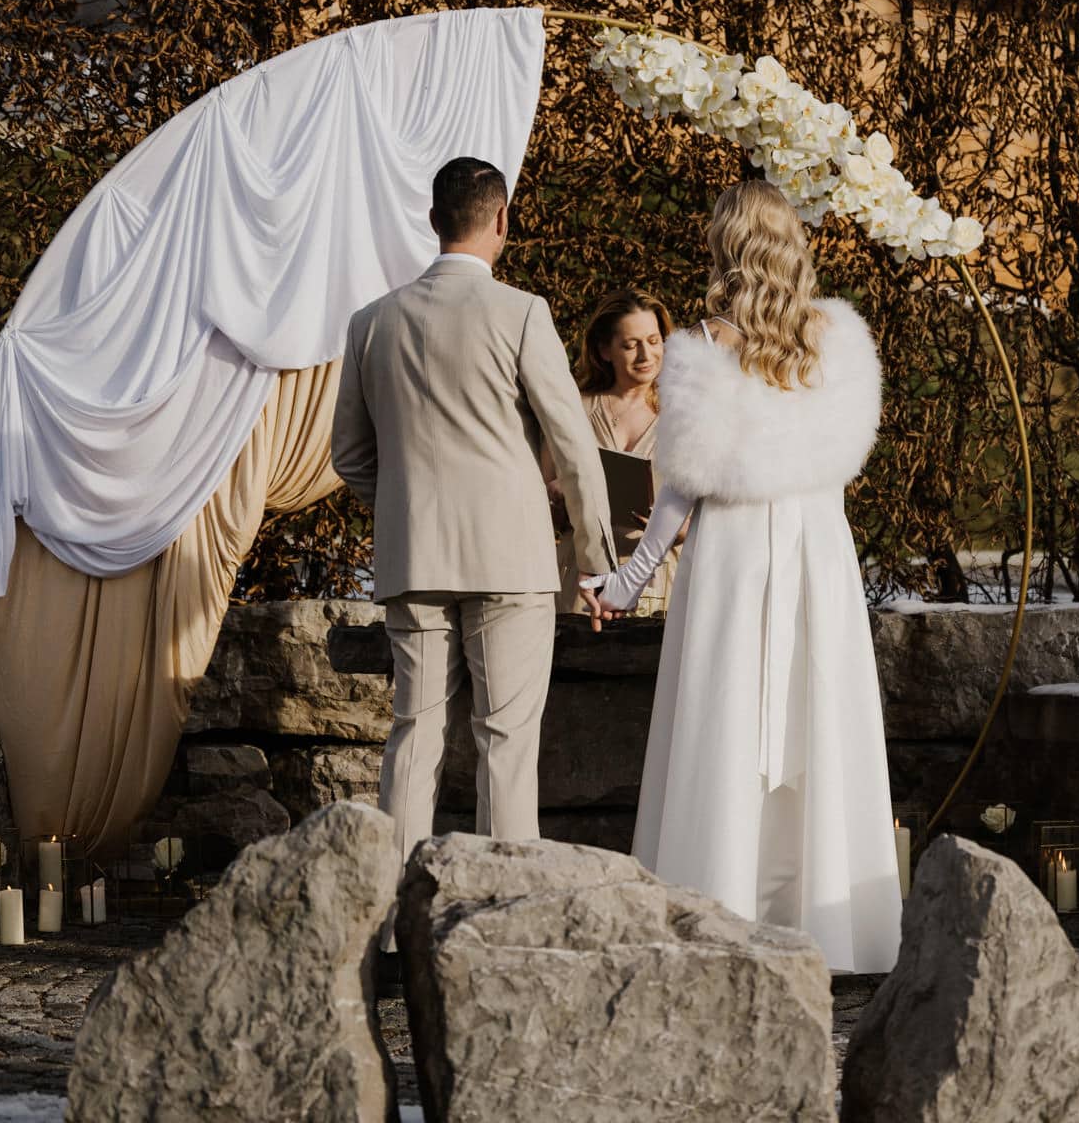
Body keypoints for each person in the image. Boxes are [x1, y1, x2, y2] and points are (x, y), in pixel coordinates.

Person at [581, 179, 902, 974]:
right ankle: (831, 928)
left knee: (724, 718)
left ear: (727, 247)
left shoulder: (702, 345)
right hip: (816, 549)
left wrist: (628, 581)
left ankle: (718, 911)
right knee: (816, 717)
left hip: (735, 552)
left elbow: (679, 486)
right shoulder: (837, 340)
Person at [331, 157, 618, 877]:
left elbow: (351, 457)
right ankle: (499, 904)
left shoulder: (371, 322)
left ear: (433, 220)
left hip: (414, 557)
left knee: (414, 733)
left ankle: (391, 907)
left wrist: (406, 509)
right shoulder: (521, 312)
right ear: (502, 220)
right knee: (506, 740)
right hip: (510, 558)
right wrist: (594, 561)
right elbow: (574, 446)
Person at [547, 289, 684, 616]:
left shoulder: (685, 414)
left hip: (660, 583)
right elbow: (541, 498)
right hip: (580, 582)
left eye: (654, 341)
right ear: (604, 350)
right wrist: (558, 494)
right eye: (630, 345)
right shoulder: (574, 409)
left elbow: (713, 507)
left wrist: (679, 529)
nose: (646, 355)